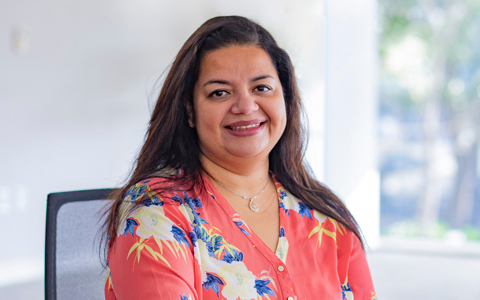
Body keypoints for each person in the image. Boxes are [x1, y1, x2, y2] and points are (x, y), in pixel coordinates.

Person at [103, 15, 376, 300]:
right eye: (219, 93)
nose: (246, 106)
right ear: (190, 111)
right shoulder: (156, 212)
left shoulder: (326, 216)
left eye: (261, 88)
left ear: (286, 98)